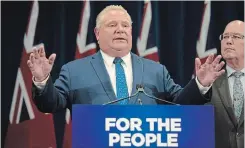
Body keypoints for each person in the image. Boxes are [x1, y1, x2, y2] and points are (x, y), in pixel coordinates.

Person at [27, 5, 225, 113]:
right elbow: (51, 104)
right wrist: (43, 82)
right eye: (112, 25)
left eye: (125, 25)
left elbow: (180, 104)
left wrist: (199, 84)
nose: (120, 29)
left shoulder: (156, 70)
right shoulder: (74, 71)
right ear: (97, 33)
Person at [208, 20, 244, 148]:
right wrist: (199, 85)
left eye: (235, 37)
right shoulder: (208, 81)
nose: (228, 41)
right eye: (225, 37)